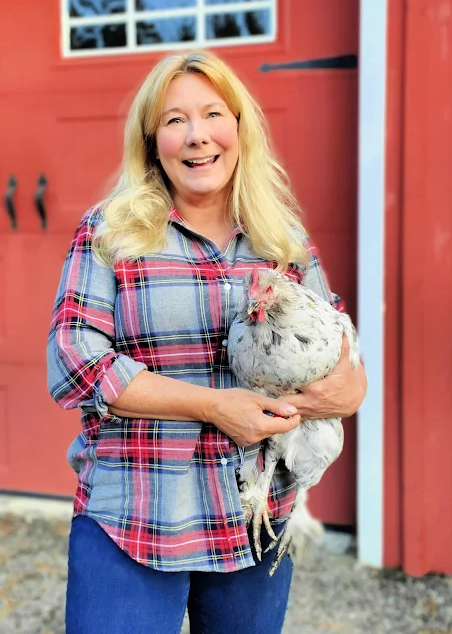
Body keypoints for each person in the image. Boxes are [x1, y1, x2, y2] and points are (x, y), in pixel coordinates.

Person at [47, 50, 367, 634]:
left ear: (239, 128)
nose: (197, 136)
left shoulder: (282, 239)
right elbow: (74, 361)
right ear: (152, 141)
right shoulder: (111, 231)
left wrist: (347, 391)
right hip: (135, 514)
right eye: (175, 120)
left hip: (252, 516)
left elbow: (341, 346)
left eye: (213, 114)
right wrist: (214, 406)